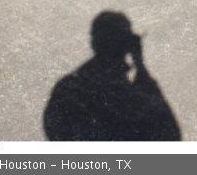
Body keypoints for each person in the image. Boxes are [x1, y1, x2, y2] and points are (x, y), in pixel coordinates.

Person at [43, 11, 181, 141]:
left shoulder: (69, 86)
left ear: (94, 42)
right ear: (127, 44)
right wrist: (140, 66)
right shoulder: (125, 93)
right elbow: (168, 133)